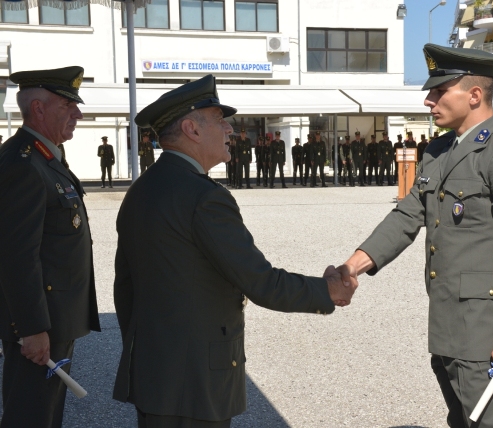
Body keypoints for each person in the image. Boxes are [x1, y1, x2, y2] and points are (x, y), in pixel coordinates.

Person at [113, 75, 356, 428]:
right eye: (219, 119)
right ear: (191, 130)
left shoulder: (144, 188)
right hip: (194, 382)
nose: (229, 128)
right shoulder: (204, 197)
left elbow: (125, 288)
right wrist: (328, 291)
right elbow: (260, 282)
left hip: (155, 373)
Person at [338, 44, 493, 428]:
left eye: (439, 91)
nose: (428, 100)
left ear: (474, 95)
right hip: (448, 325)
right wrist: (352, 266)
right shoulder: (439, 151)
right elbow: (407, 215)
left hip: (487, 333)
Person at [0, 66, 101, 428]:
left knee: (45, 415)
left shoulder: (46, 157)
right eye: (68, 105)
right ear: (39, 109)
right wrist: (31, 328)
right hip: (39, 326)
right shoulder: (23, 164)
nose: (78, 114)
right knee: (30, 416)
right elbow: (16, 256)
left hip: (54, 321)